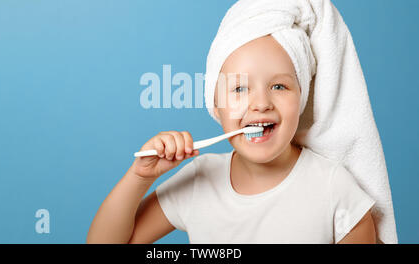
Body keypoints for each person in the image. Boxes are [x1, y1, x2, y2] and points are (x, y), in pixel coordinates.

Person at [86, 33, 377, 244]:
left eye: (279, 85)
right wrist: (140, 176)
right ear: (217, 106)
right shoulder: (200, 179)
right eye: (239, 89)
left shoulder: (334, 189)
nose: (261, 103)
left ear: (302, 99)